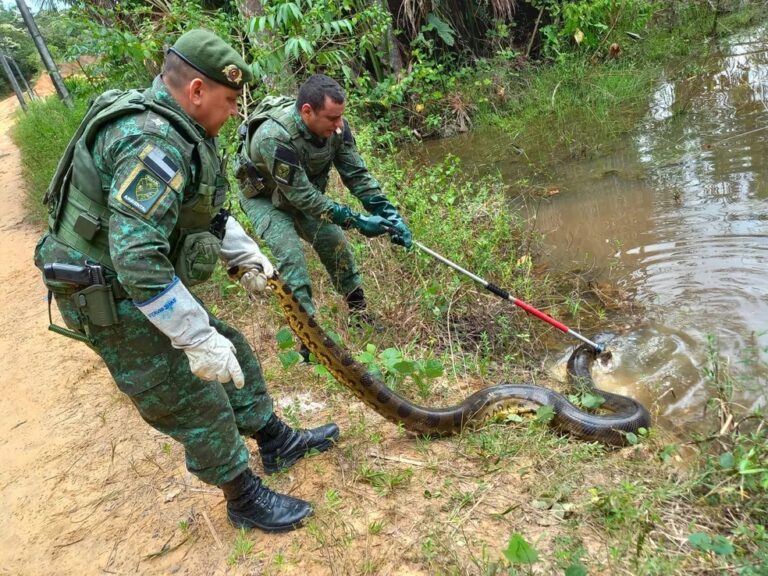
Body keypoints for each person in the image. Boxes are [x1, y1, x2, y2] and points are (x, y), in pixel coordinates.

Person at [33, 29, 339, 533]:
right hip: (103, 289)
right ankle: (241, 496)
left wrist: (244, 255)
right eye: (230, 100)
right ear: (196, 90)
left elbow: (199, 208)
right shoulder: (150, 142)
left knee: (233, 349)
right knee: (191, 392)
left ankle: (276, 441)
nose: (236, 113)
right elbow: (137, 260)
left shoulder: (180, 128)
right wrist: (194, 336)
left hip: (129, 277)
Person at [235, 74, 412, 360]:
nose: (339, 125)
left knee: (334, 242)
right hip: (265, 199)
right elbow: (301, 196)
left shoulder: (338, 130)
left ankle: (359, 313)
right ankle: (309, 341)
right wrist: (356, 220)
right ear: (307, 111)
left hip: (302, 192)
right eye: (331, 118)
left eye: (341, 117)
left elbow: (356, 175)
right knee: (292, 258)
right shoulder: (274, 136)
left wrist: (386, 211)